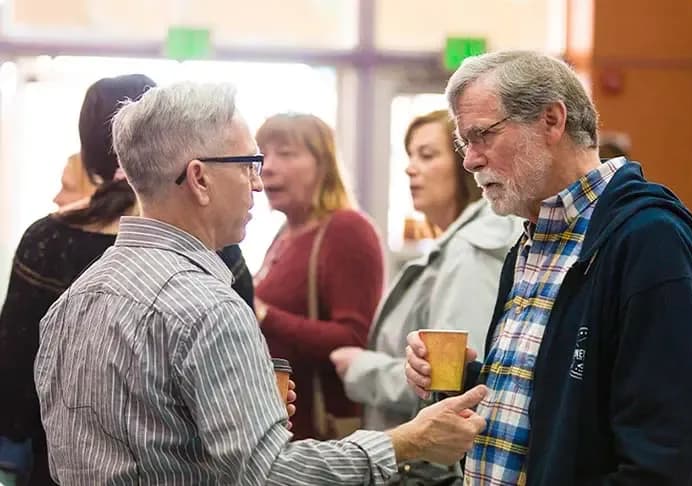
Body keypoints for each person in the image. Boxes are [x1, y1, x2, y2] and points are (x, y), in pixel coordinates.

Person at [34, 81, 489, 485]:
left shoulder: (74, 300)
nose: (258, 181)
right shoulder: (208, 308)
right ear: (199, 179)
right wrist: (409, 440)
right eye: (249, 163)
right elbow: (271, 473)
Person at [404, 50, 692, 485]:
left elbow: (665, 456)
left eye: (481, 136)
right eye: (463, 143)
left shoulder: (648, 237)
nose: (469, 160)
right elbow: (558, 405)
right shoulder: (531, 239)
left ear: (551, 121)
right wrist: (463, 380)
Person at [0, 74, 156, 486]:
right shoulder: (206, 240)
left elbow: (14, 370)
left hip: (59, 465)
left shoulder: (47, 240)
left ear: (87, 150)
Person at [330, 109, 521, 431]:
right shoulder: (460, 243)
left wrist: (361, 370)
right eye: (410, 155)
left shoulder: (473, 248)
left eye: (427, 155)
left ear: (468, 162)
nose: (410, 168)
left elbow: (456, 381)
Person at [254, 113, 385, 439]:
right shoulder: (285, 233)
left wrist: (265, 316)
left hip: (323, 436)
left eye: (285, 153)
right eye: (262, 154)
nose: (267, 167)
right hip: (284, 432)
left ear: (322, 165)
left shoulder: (346, 229)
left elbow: (354, 340)